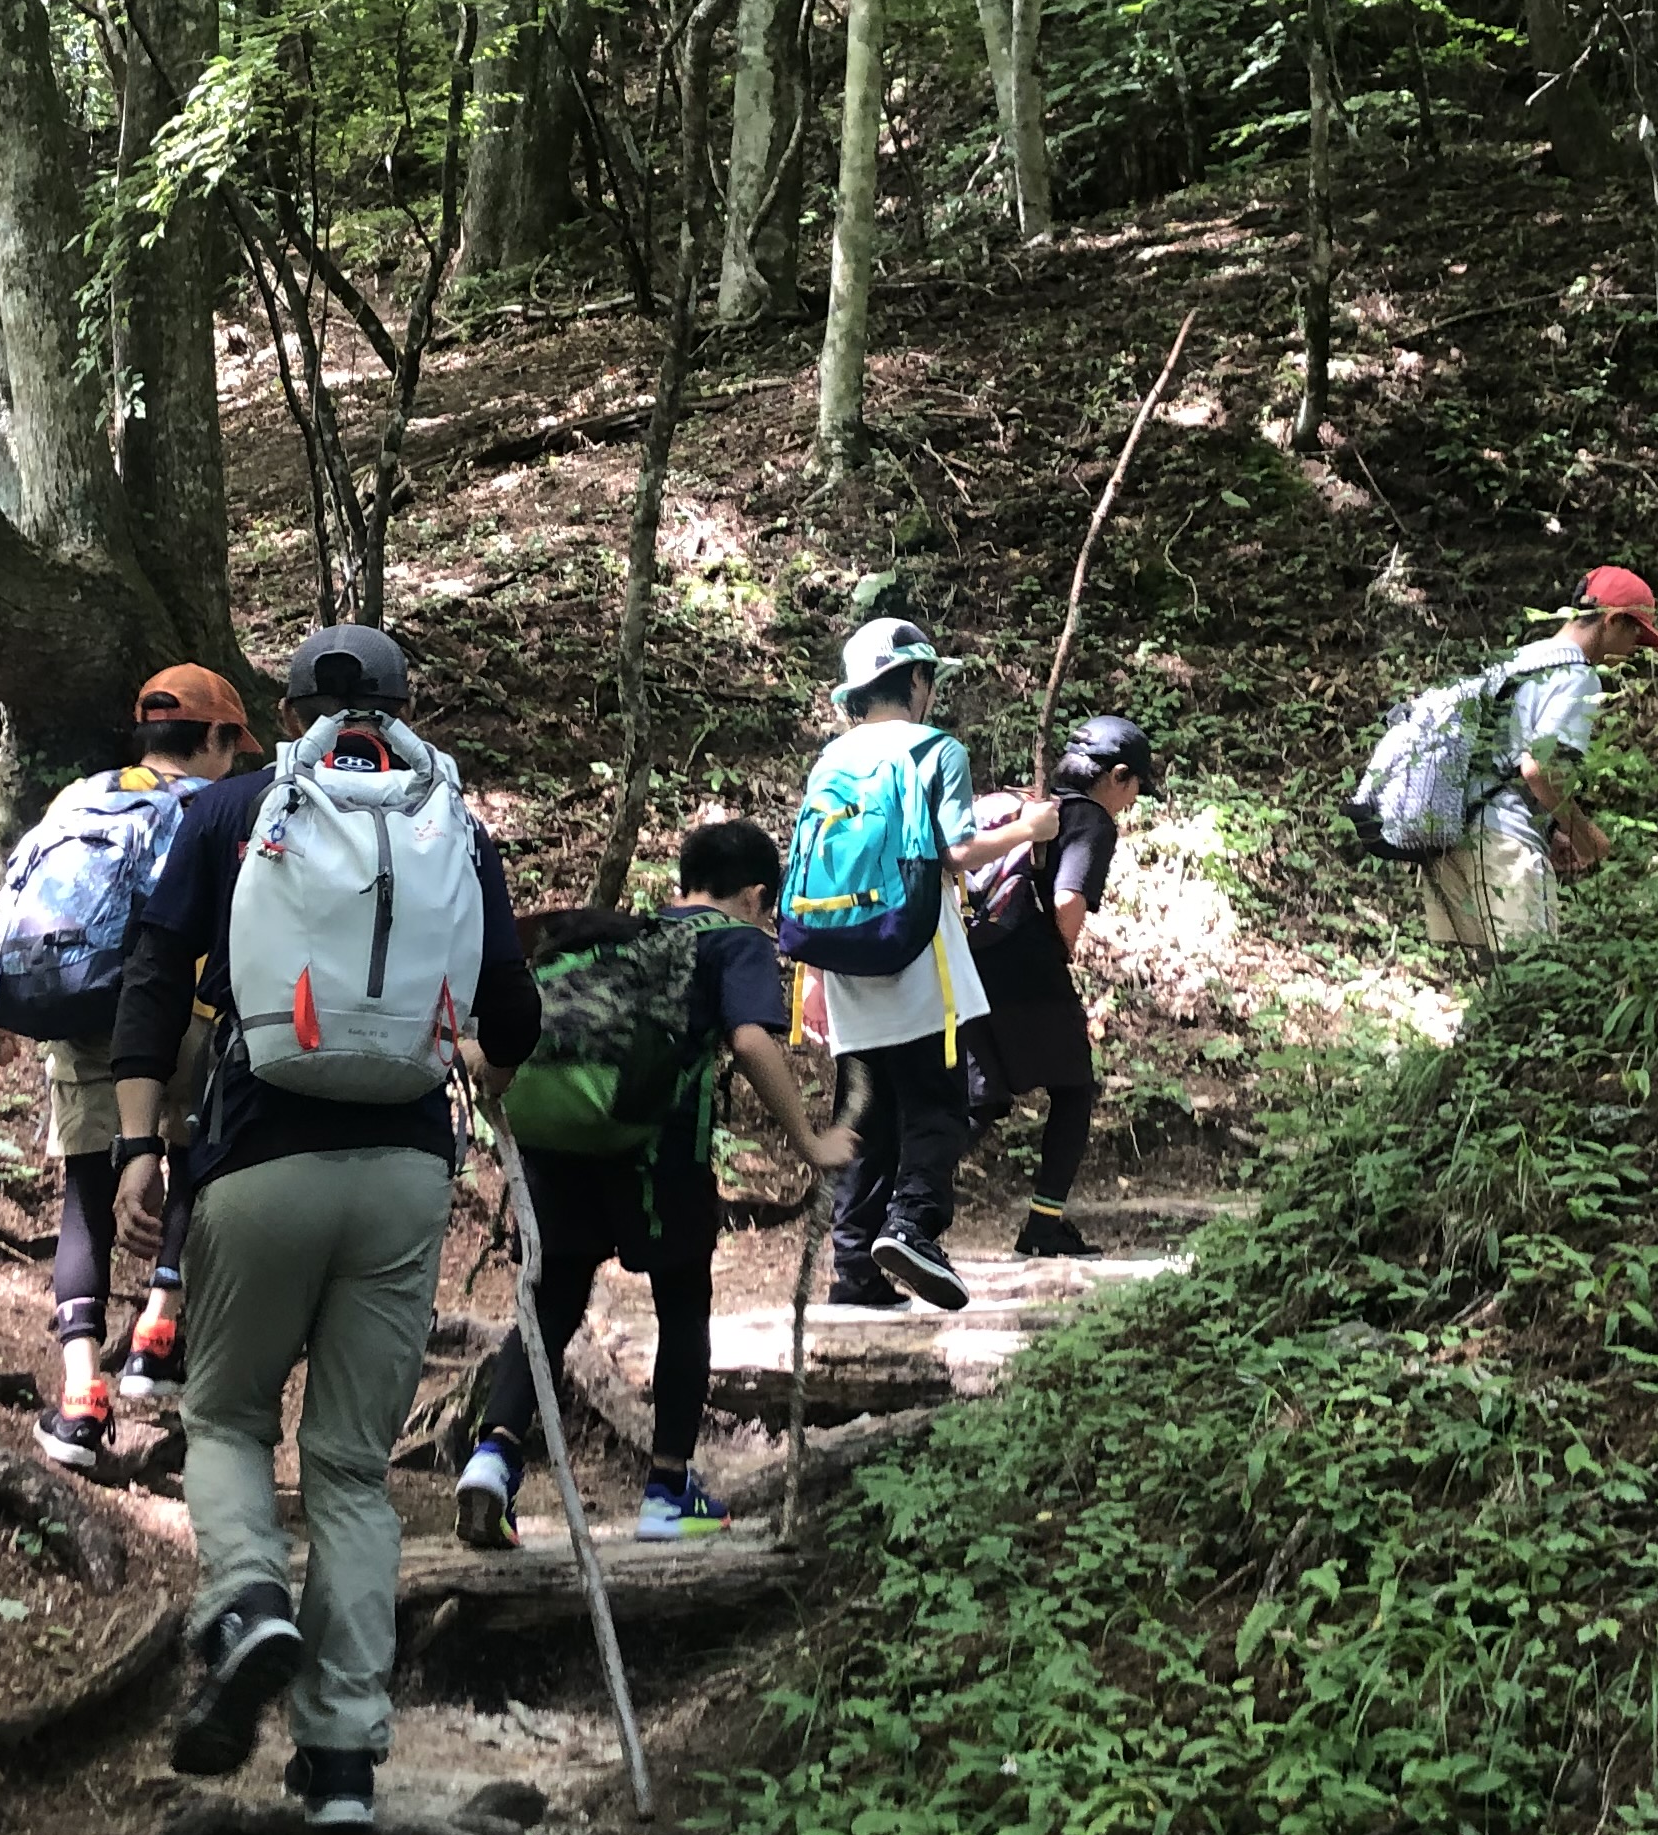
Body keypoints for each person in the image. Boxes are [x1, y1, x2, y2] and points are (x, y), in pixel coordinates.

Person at [107, 626, 539, 1827]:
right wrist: (462, 1058)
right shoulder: (453, 824)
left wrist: (141, 1146)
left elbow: (152, 975)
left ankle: (249, 1602)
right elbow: (514, 1015)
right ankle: (342, 1761)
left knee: (232, 1418)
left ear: (287, 708)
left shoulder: (232, 810)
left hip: (257, 1158)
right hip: (404, 1170)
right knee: (352, 1465)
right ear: (405, 708)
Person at [458, 822, 860, 1551]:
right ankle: (669, 1491)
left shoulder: (612, 932)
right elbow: (749, 1039)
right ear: (758, 894)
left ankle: (494, 1458)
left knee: (549, 1304)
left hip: (558, 1139)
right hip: (656, 1153)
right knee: (683, 1303)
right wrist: (809, 1140)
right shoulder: (736, 941)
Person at [19, 665, 260, 1472]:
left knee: (85, 1194)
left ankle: (81, 1399)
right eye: (236, 742)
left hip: (82, 1018)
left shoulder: (80, 799)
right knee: (190, 1160)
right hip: (183, 1021)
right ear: (218, 738)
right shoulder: (220, 814)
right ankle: (160, 1326)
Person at [797, 619, 1063, 1315]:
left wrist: (815, 975)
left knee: (868, 1119)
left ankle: (854, 1268)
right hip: (919, 959)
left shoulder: (831, 762)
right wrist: (1030, 831)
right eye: (929, 679)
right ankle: (914, 1227)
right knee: (941, 1103)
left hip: (847, 962)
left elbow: (818, 867)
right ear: (915, 680)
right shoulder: (937, 749)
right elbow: (958, 852)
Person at [965, 715, 1153, 1258]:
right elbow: (1069, 899)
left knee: (984, 1098)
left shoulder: (1033, 805)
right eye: (1136, 787)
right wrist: (1060, 951)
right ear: (1117, 776)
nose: (1133, 801)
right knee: (1074, 1089)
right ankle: (1044, 1226)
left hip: (972, 955)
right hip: (1027, 963)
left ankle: (899, 1210)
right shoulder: (1091, 819)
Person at [1422, 566, 1658, 957]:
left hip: (1452, 835)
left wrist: (1552, 830)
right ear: (1613, 620)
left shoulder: (1519, 660)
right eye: (1636, 631)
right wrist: (1587, 837)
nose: (1637, 645)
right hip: (1504, 843)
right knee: (1528, 976)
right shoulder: (1577, 676)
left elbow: (1497, 756)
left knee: (1491, 980)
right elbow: (1537, 768)